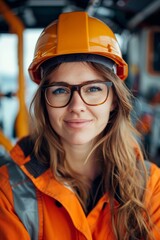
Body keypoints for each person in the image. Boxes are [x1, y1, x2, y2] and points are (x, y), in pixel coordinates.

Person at [0, 11, 160, 240]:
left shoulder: (152, 186)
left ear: (114, 99)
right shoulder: (8, 192)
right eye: (60, 90)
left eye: (93, 88)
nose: (77, 105)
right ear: (45, 102)